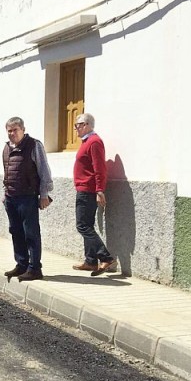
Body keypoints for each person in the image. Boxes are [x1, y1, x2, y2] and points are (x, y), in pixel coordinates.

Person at [2, 116, 53, 282]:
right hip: (11, 197)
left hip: (27, 197)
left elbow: (44, 171)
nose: (12, 133)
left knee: (31, 233)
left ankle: (35, 268)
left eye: (15, 130)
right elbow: (7, 171)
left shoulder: (34, 145)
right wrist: (5, 193)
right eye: (9, 130)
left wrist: (44, 194)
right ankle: (21, 264)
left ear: (23, 130)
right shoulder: (6, 148)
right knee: (16, 232)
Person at [71, 113, 116, 276]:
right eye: (76, 125)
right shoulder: (87, 142)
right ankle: (91, 261)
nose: (76, 128)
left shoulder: (94, 142)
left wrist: (99, 190)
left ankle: (106, 257)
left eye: (78, 125)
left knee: (82, 225)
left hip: (88, 190)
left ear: (87, 124)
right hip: (83, 189)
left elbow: (99, 168)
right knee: (87, 225)